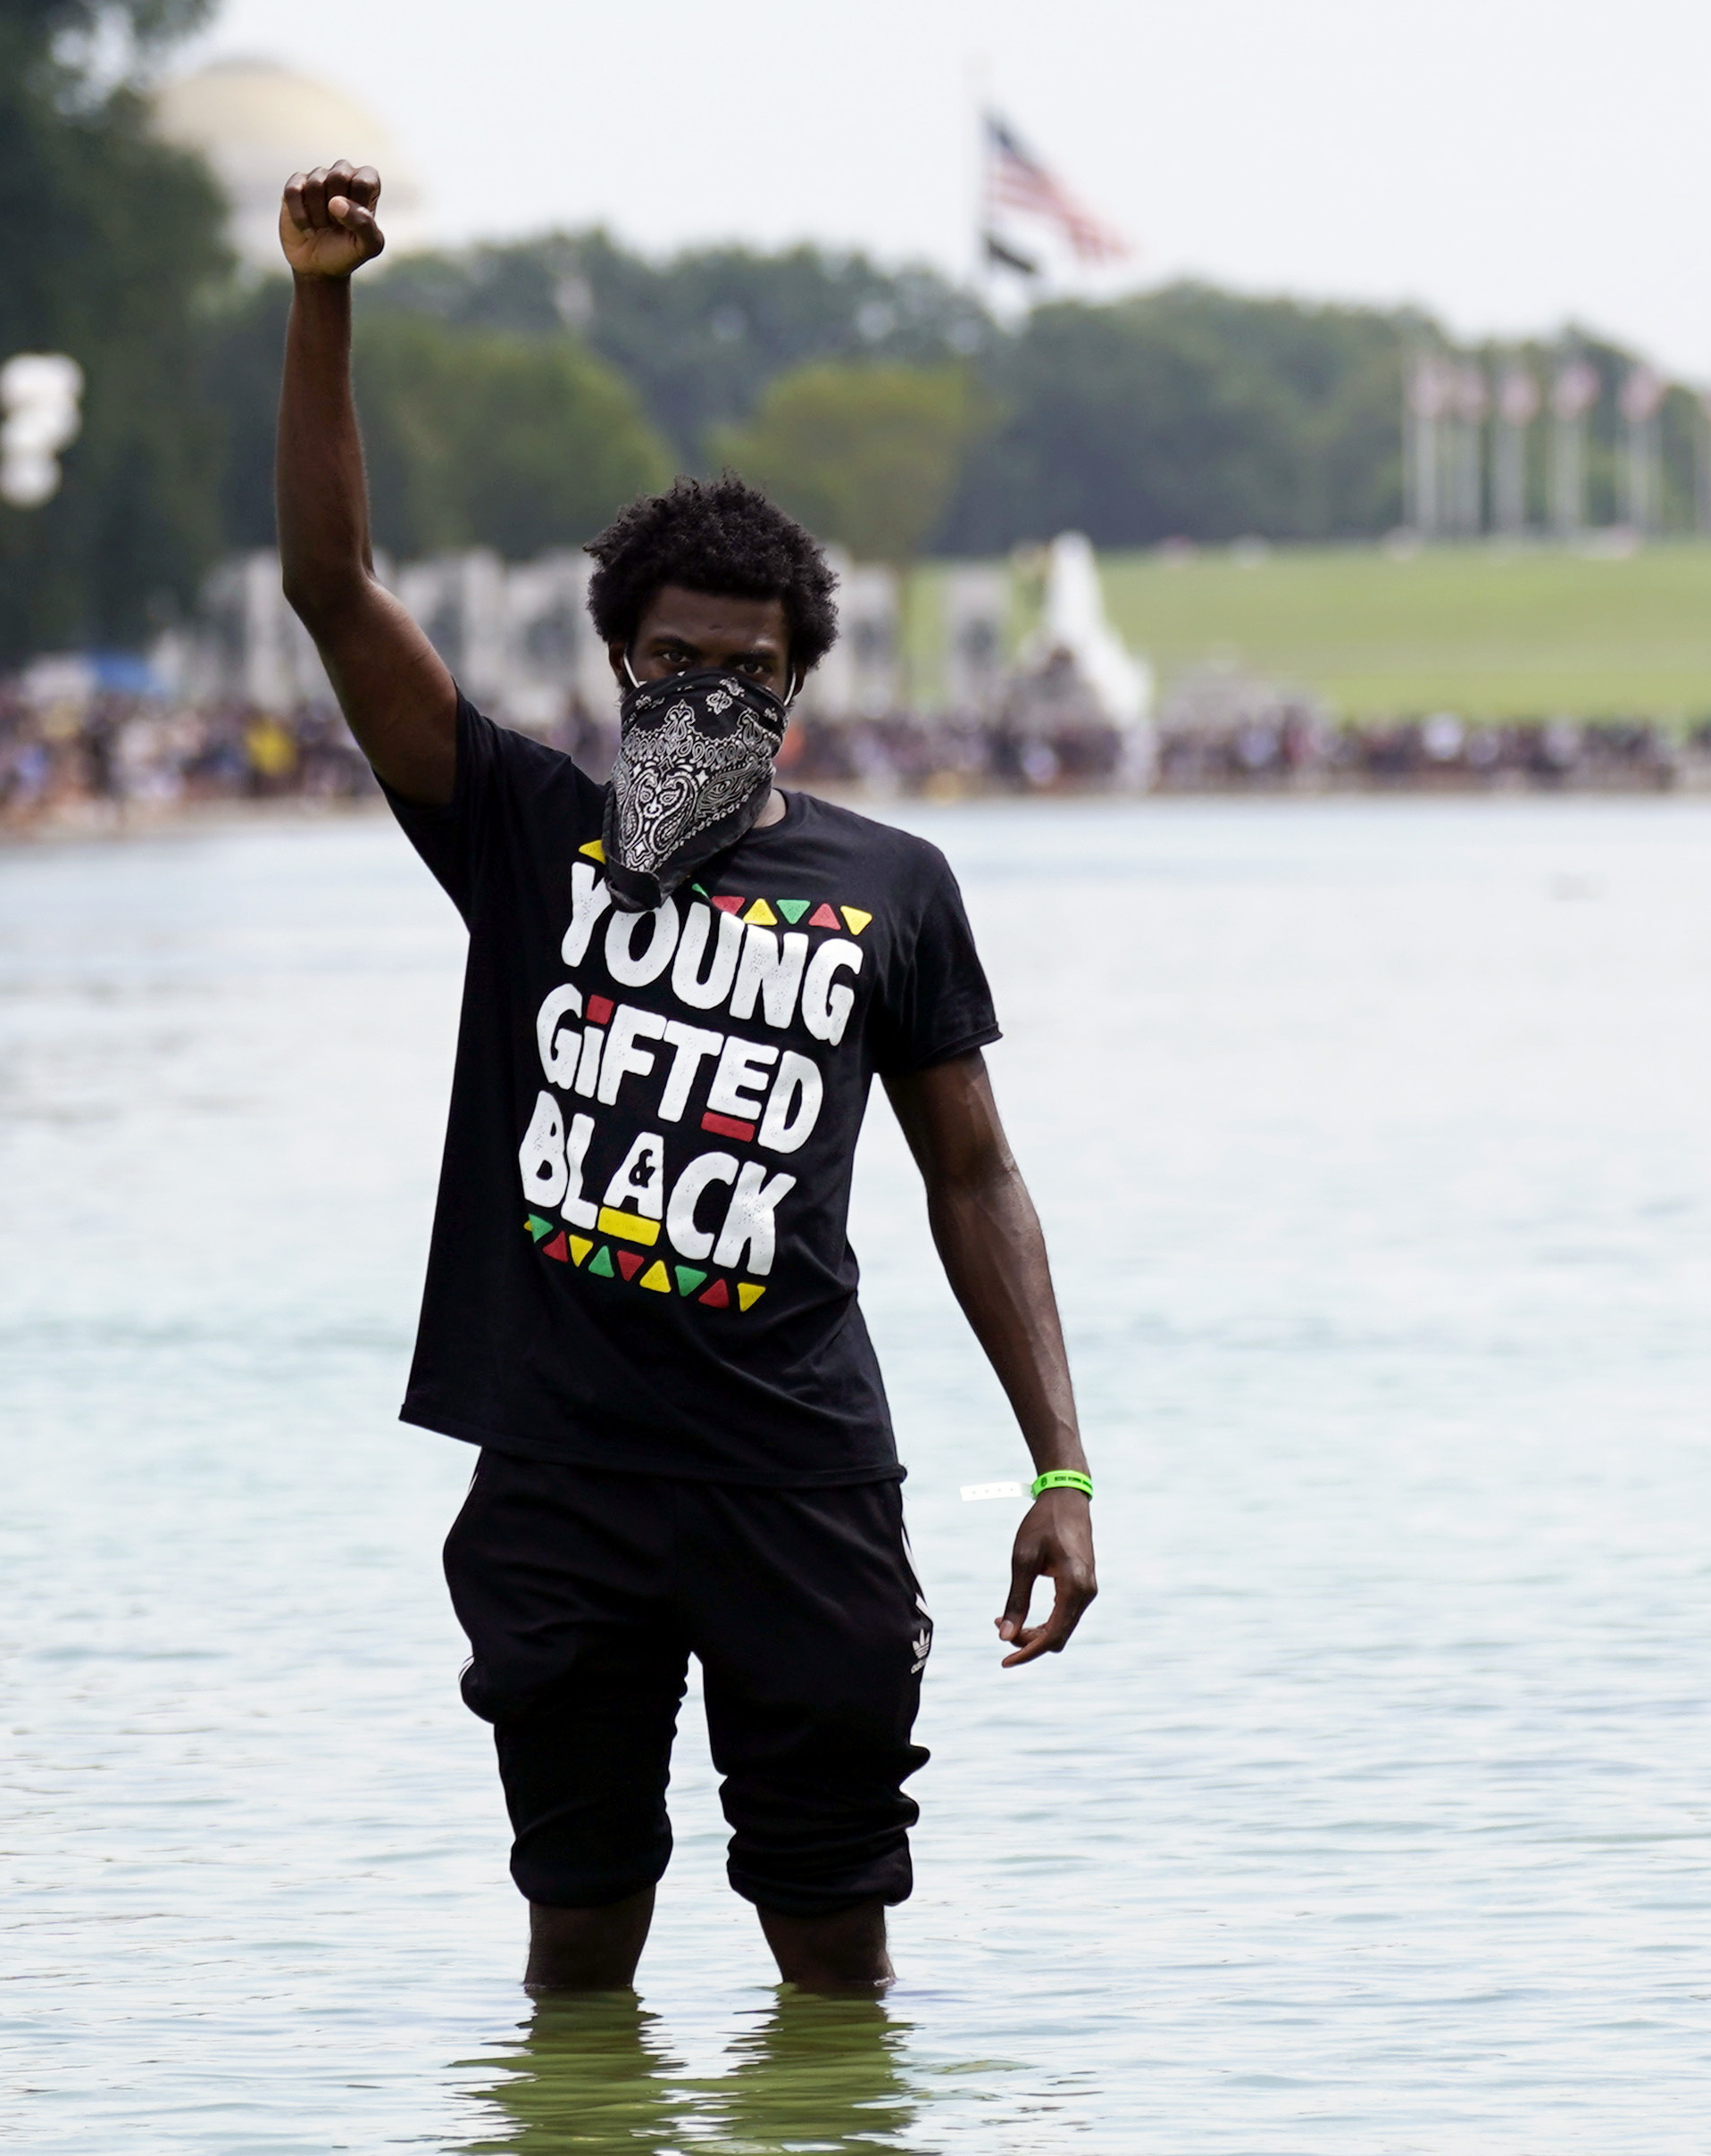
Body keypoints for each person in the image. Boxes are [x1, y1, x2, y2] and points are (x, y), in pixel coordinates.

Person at [271, 158, 1098, 2002]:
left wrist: (1061, 1463)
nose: (708, 697)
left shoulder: (892, 886)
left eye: (749, 671)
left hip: (797, 1478)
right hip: (564, 1476)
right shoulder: (523, 832)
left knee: (832, 1954)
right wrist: (324, 301)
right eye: (673, 662)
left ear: (797, 683)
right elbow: (330, 586)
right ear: (617, 660)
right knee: (578, 1938)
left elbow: (976, 1178)